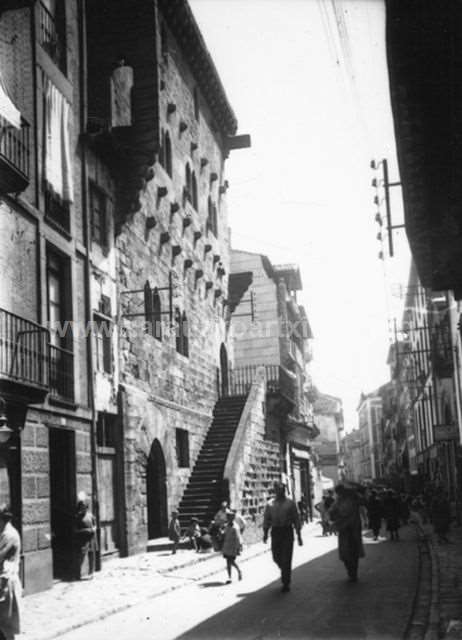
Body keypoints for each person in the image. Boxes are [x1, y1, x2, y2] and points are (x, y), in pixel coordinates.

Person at [263, 482, 302, 593]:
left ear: (284, 490)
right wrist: (265, 534)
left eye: (282, 489)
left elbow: (296, 519)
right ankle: (284, 569)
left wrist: (299, 535)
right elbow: (266, 519)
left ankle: (286, 582)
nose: (280, 491)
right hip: (276, 532)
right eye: (277, 489)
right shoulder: (270, 504)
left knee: (287, 558)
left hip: (287, 531)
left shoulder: (290, 503)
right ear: (275, 491)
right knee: (276, 556)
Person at [328, 483, 365, 582]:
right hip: (344, 530)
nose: (339, 494)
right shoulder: (338, 502)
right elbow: (331, 512)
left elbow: (363, 498)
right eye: (338, 492)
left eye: (340, 492)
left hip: (353, 529)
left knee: (354, 552)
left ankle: (353, 572)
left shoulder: (353, 499)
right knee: (345, 554)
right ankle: (351, 571)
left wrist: (355, 490)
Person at [0, 507, 21, 640]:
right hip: (3, 582)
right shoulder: (3, 532)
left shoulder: (9, 535)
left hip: (6, 584)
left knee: (5, 624)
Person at [74, 494, 97, 579]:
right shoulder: (78, 517)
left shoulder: (90, 515)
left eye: (85, 507)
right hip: (83, 539)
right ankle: (78, 573)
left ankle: (91, 573)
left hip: (91, 538)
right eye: (82, 507)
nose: (83, 508)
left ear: (87, 507)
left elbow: (95, 525)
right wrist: (84, 531)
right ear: (79, 507)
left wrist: (94, 529)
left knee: (92, 554)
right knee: (81, 555)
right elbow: (75, 530)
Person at [222, 510, 242, 583]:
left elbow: (238, 538)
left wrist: (238, 548)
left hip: (233, 546)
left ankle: (239, 570)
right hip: (227, 545)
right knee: (228, 562)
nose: (228, 518)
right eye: (228, 517)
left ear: (232, 518)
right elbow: (225, 533)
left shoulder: (235, 527)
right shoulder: (227, 525)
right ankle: (229, 577)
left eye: (229, 517)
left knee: (231, 561)